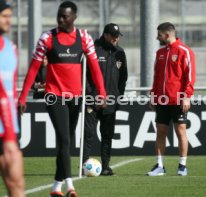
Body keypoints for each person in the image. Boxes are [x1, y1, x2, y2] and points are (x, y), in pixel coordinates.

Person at [18, 1, 106, 197]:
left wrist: (102, 93)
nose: (60, 19)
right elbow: (33, 69)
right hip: (54, 96)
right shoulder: (47, 38)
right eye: (59, 16)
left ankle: (55, 188)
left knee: (65, 143)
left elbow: (94, 68)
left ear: (74, 17)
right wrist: (23, 96)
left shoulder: (84, 38)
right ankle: (70, 186)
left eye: (64, 16)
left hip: (75, 97)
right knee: (65, 140)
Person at [147, 22, 196, 176]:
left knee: (180, 130)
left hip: (178, 100)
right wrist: (153, 96)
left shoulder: (185, 51)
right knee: (160, 131)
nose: (157, 37)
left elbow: (190, 77)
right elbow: (156, 77)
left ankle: (182, 166)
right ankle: (159, 166)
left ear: (167, 35)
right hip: (162, 100)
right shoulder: (160, 53)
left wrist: (187, 97)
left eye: (159, 35)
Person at [82, 23, 128, 176]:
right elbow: (84, 77)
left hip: (110, 103)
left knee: (107, 134)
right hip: (92, 101)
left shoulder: (120, 53)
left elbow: (123, 78)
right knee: (88, 133)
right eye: (114, 36)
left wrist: (117, 97)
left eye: (118, 36)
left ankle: (106, 166)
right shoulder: (92, 50)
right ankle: (84, 165)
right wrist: (93, 96)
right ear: (106, 35)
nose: (116, 39)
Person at [0, 0, 25, 196]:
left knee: (16, 182)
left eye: (9, 16)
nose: (8, 21)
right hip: (6, 129)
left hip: (5, 127)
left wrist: (10, 134)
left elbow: (9, 93)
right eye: (4, 16)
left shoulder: (11, 48)